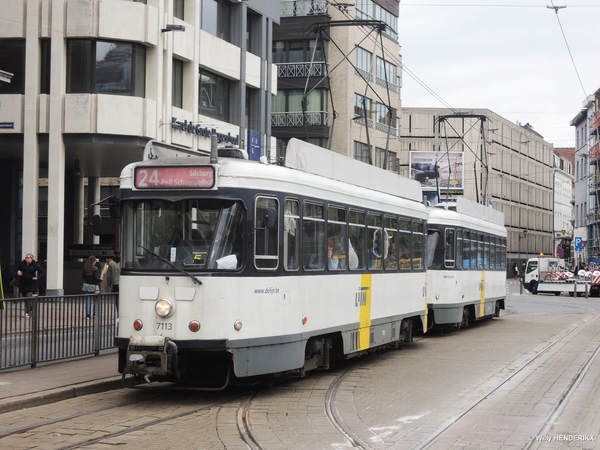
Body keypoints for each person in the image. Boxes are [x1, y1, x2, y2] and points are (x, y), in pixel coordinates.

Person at [16, 253, 44, 318]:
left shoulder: (35, 265)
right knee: (25, 298)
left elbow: (42, 272)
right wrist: (18, 271)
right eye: (26, 257)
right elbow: (16, 268)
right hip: (23, 282)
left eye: (28, 258)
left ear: (32, 258)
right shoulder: (22, 263)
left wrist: (37, 277)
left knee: (28, 296)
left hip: (32, 282)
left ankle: (28, 312)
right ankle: (30, 309)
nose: (27, 259)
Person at [82, 255, 103, 319]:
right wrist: (100, 279)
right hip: (94, 286)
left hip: (86, 285)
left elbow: (83, 277)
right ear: (93, 261)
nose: (96, 262)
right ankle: (94, 314)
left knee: (88, 300)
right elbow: (96, 278)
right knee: (95, 301)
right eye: (95, 260)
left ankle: (88, 315)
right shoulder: (95, 269)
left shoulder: (85, 268)